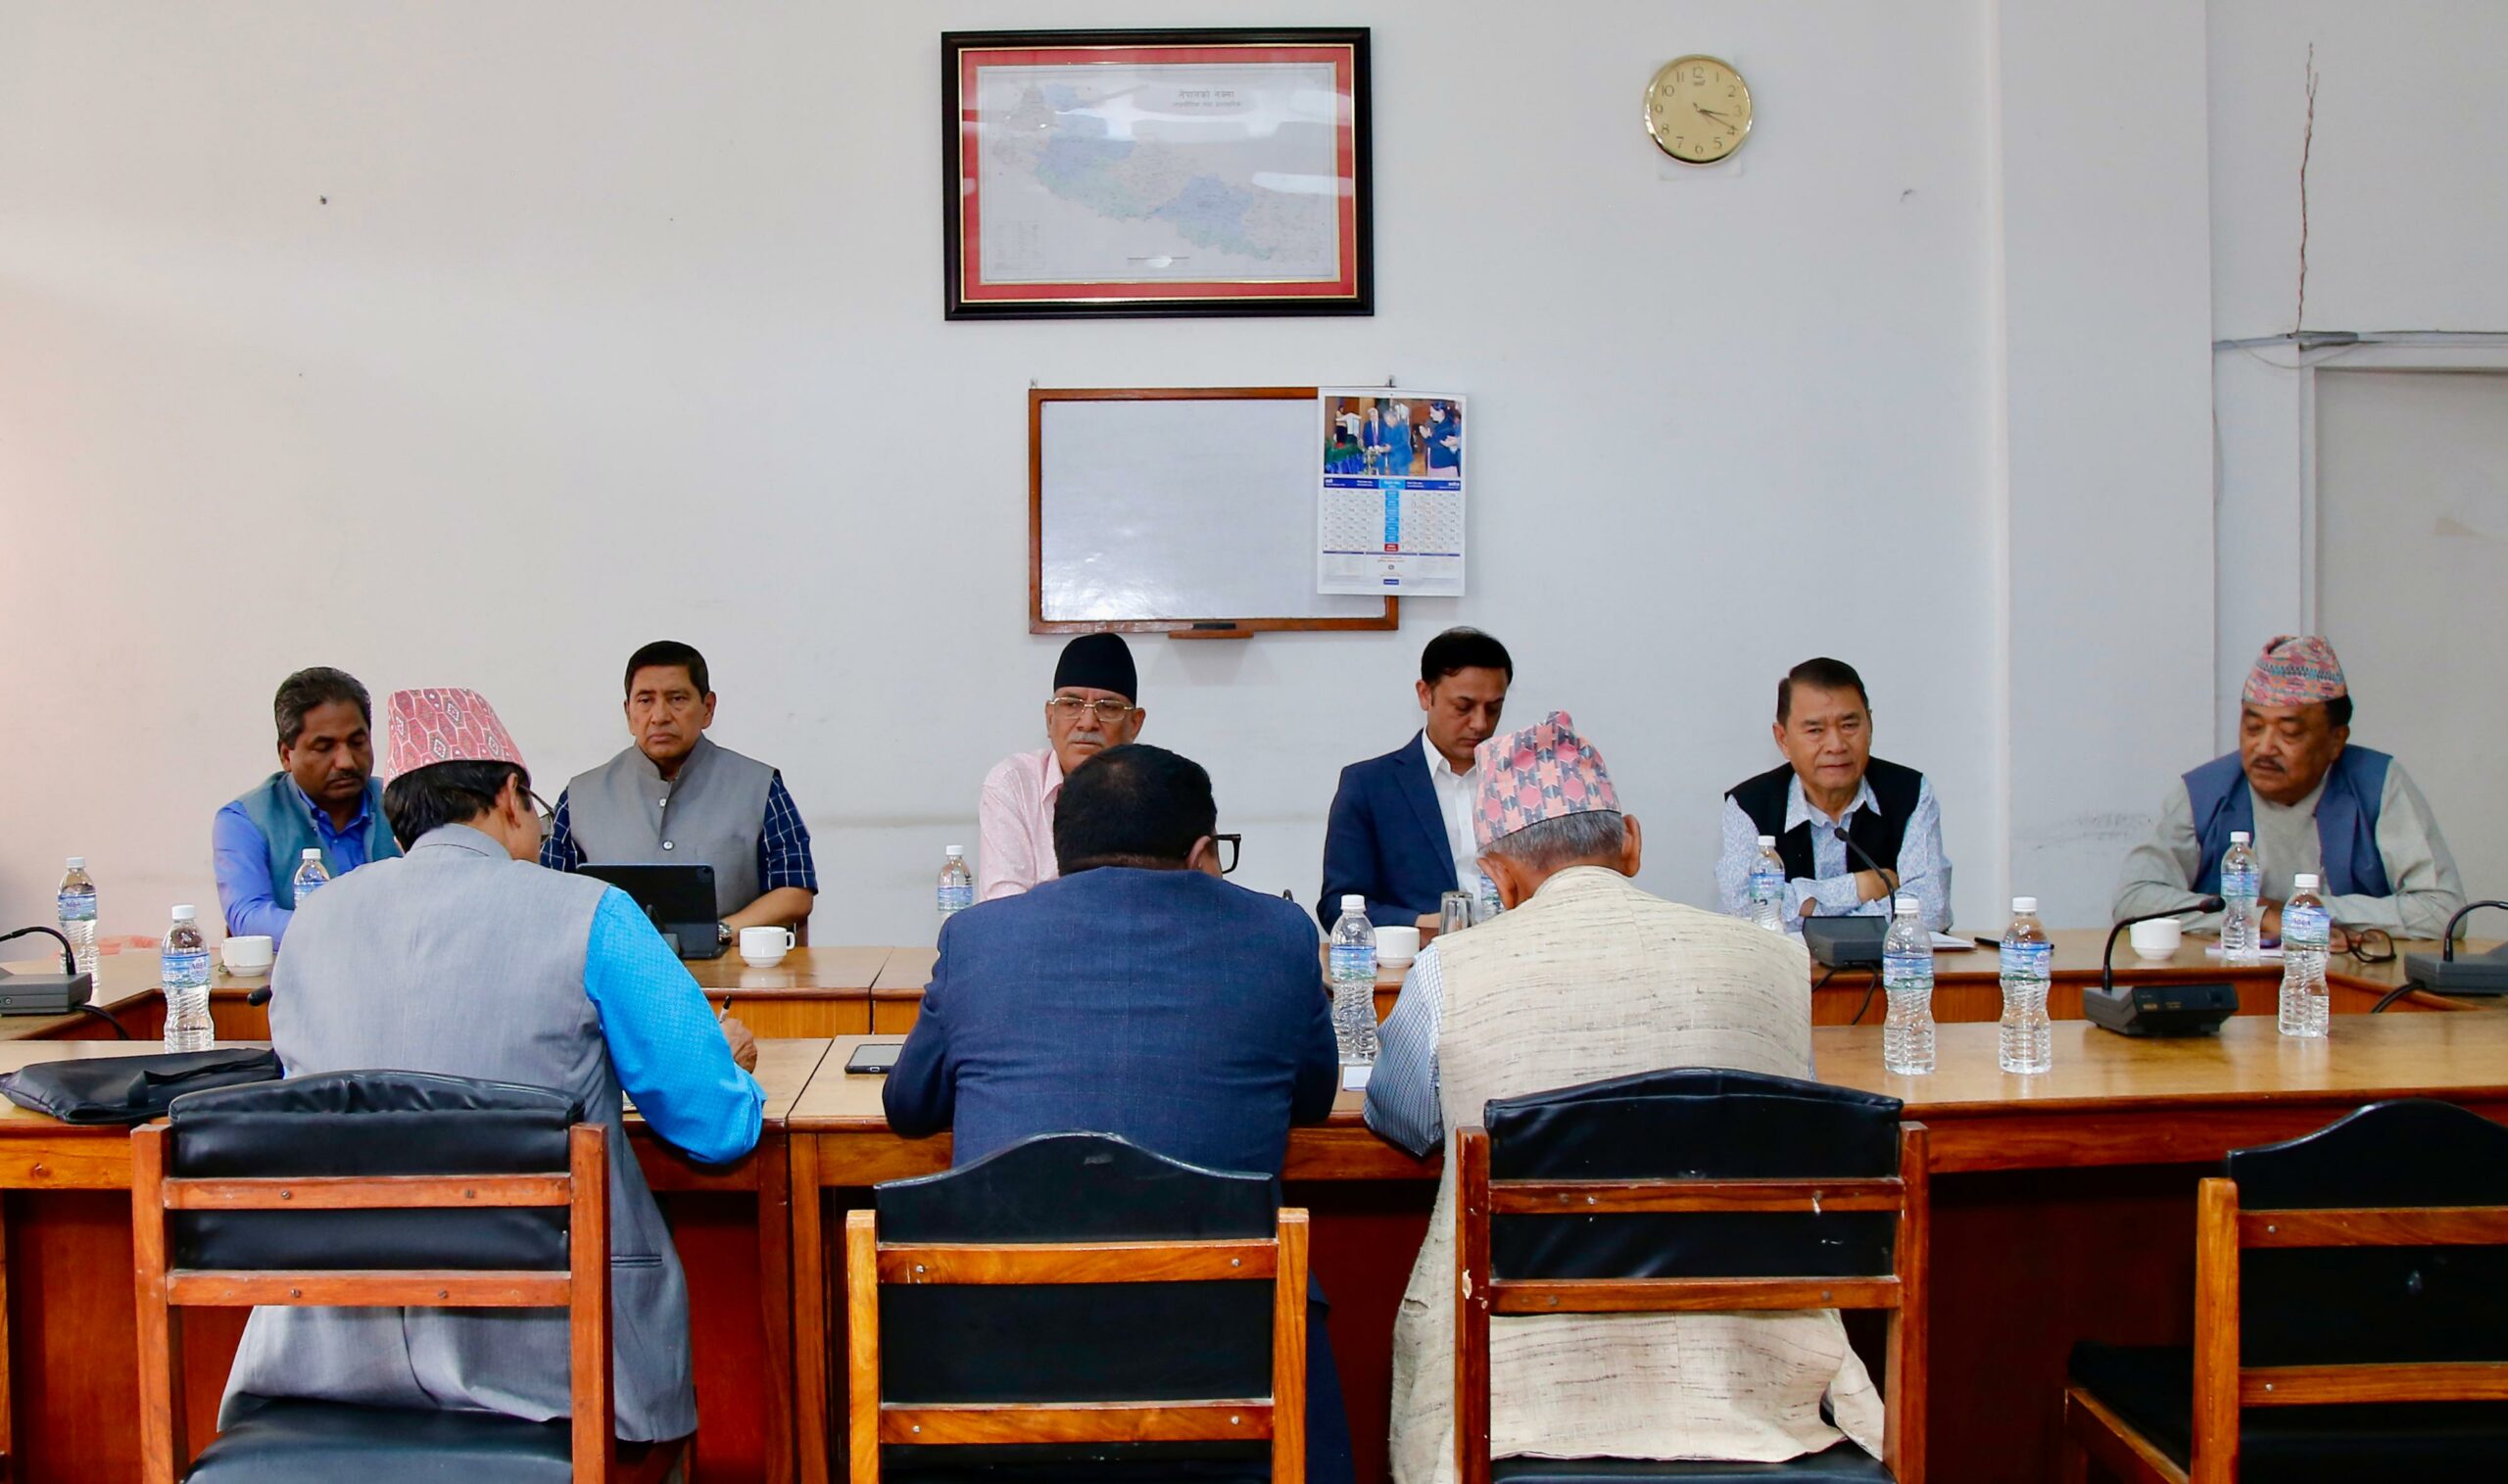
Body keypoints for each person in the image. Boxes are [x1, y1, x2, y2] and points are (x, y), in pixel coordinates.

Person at [224, 687, 763, 1448]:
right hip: (560, 1370)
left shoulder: (310, 925)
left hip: (325, 1358)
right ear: (511, 797)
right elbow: (715, 1127)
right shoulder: (594, 910)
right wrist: (722, 1061)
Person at [1366, 712, 1881, 1481]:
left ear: (1499, 877)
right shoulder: (1773, 961)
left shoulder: (1451, 970)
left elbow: (1402, 1118)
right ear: (1632, 842)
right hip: (1752, 1394)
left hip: (1515, 1407)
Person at [887, 742, 1351, 1483]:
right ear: (1201, 853)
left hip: (1002, 1359)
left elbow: (908, 1107)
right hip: (1224, 1358)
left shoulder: (977, 937)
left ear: (1058, 853)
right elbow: (1316, 1098)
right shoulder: (1279, 934)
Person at [2114, 635, 2464, 940]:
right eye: (2253, 728)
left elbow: (2444, 912)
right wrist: (2259, 916)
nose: (2264, 748)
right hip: (2231, 982)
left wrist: (2305, 914)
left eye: (2289, 732)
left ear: (2336, 741)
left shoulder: (2378, 785)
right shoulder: (2205, 792)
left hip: (2346, 980)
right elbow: (2133, 899)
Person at [543, 641, 817, 946]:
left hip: (731, 971)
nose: (660, 716)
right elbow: (550, 899)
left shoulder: (759, 786)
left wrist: (718, 933)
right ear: (629, 713)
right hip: (614, 973)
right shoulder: (581, 797)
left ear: (708, 708)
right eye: (645, 701)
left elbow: (795, 891)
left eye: (677, 699)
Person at [1716, 656, 1953, 933]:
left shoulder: (1910, 793)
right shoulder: (1749, 805)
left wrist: (1804, 908)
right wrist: (1860, 887)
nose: (1836, 745)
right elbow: (1744, 907)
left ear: (1870, 726)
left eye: (1849, 726)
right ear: (1783, 739)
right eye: (1815, 730)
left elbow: (1931, 908)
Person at [1320, 629, 1513, 933]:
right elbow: (1337, 905)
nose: (1480, 723)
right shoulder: (1369, 786)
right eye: (1463, 707)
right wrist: (1422, 924)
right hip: (1418, 955)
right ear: (1425, 694)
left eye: (1493, 708)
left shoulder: (1524, 783)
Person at [212, 667, 403, 945]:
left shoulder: (402, 803)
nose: (346, 761)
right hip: (299, 971)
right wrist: (349, 933)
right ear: (286, 755)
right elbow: (249, 917)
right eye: (324, 747)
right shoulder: (244, 820)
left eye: (357, 742)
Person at [975, 633, 1146, 902]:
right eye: (1071, 704)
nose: (1087, 722)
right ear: (1050, 717)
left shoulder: (1163, 791)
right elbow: (1003, 907)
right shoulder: (1014, 784)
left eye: (1108, 707)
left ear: (1134, 724)